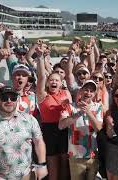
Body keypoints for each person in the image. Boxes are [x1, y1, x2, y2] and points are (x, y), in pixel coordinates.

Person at [0, 86, 47, 179]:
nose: (9, 101)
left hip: (26, 175)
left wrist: (42, 164)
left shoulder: (29, 119)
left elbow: (39, 141)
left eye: (13, 98)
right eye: (4, 98)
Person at [36, 45, 72, 180]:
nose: (54, 82)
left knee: (64, 161)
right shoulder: (42, 95)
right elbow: (40, 77)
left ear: (61, 83)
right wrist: (40, 58)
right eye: (51, 80)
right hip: (49, 131)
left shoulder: (66, 93)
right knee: (52, 163)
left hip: (65, 130)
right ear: (47, 83)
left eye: (57, 80)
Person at [59, 80, 103, 180]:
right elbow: (61, 125)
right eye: (86, 90)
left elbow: (99, 128)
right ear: (81, 91)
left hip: (93, 155)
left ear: (95, 93)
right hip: (75, 156)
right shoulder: (70, 106)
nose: (88, 93)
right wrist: (78, 114)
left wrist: (88, 112)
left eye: (91, 91)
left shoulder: (98, 107)